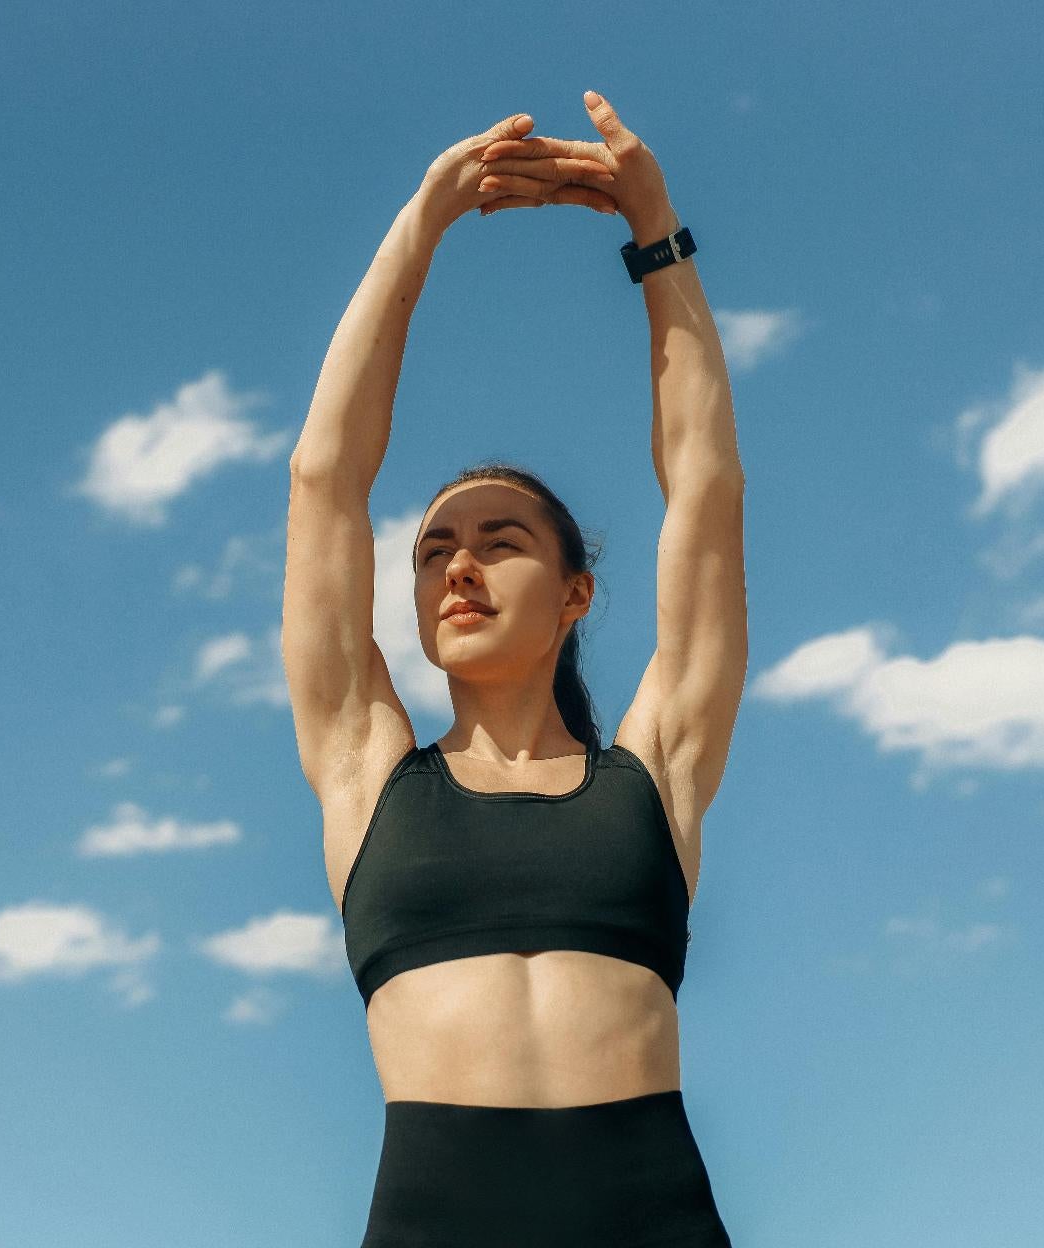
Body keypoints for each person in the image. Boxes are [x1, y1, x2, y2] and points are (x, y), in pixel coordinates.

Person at [283, 90, 747, 1247]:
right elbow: (325, 480)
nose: (458, 567)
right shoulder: (366, 768)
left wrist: (658, 235)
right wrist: (420, 227)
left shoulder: (655, 773)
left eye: (501, 543)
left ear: (576, 593)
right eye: (434, 548)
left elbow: (705, 488)